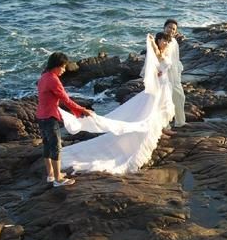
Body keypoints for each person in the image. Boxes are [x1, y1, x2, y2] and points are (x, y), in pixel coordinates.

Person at [59, 33, 175, 174]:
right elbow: (157, 59)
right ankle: (150, 134)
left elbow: (163, 65)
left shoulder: (165, 52)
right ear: (159, 41)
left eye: (167, 42)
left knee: (160, 110)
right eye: (164, 41)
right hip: (158, 88)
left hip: (164, 85)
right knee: (150, 112)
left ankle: (160, 131)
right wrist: (151, 43)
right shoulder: (158, 53)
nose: (166, 43)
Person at [36, 52, 93, 187]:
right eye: (62, 67)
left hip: (40, 115)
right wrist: (82, 110)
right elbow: (66, 100)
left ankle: (50, 174)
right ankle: (58, 179)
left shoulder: (44, 77)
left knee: (47, 145)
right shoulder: (53, 80)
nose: (64, 70)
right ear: (56, 66)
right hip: (50, 117)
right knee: (56, 147)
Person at [162, 19, 186, 129]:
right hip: (165, 74)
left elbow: (176, 58)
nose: (171, 30)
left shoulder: (174, 41)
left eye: (173, 29)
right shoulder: (161, 40)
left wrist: (179, 69)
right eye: (169, 27)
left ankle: (180, 122)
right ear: (164, 28)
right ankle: (165, 126)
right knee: (165, 100)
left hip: (175, 74)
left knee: (180, 97)